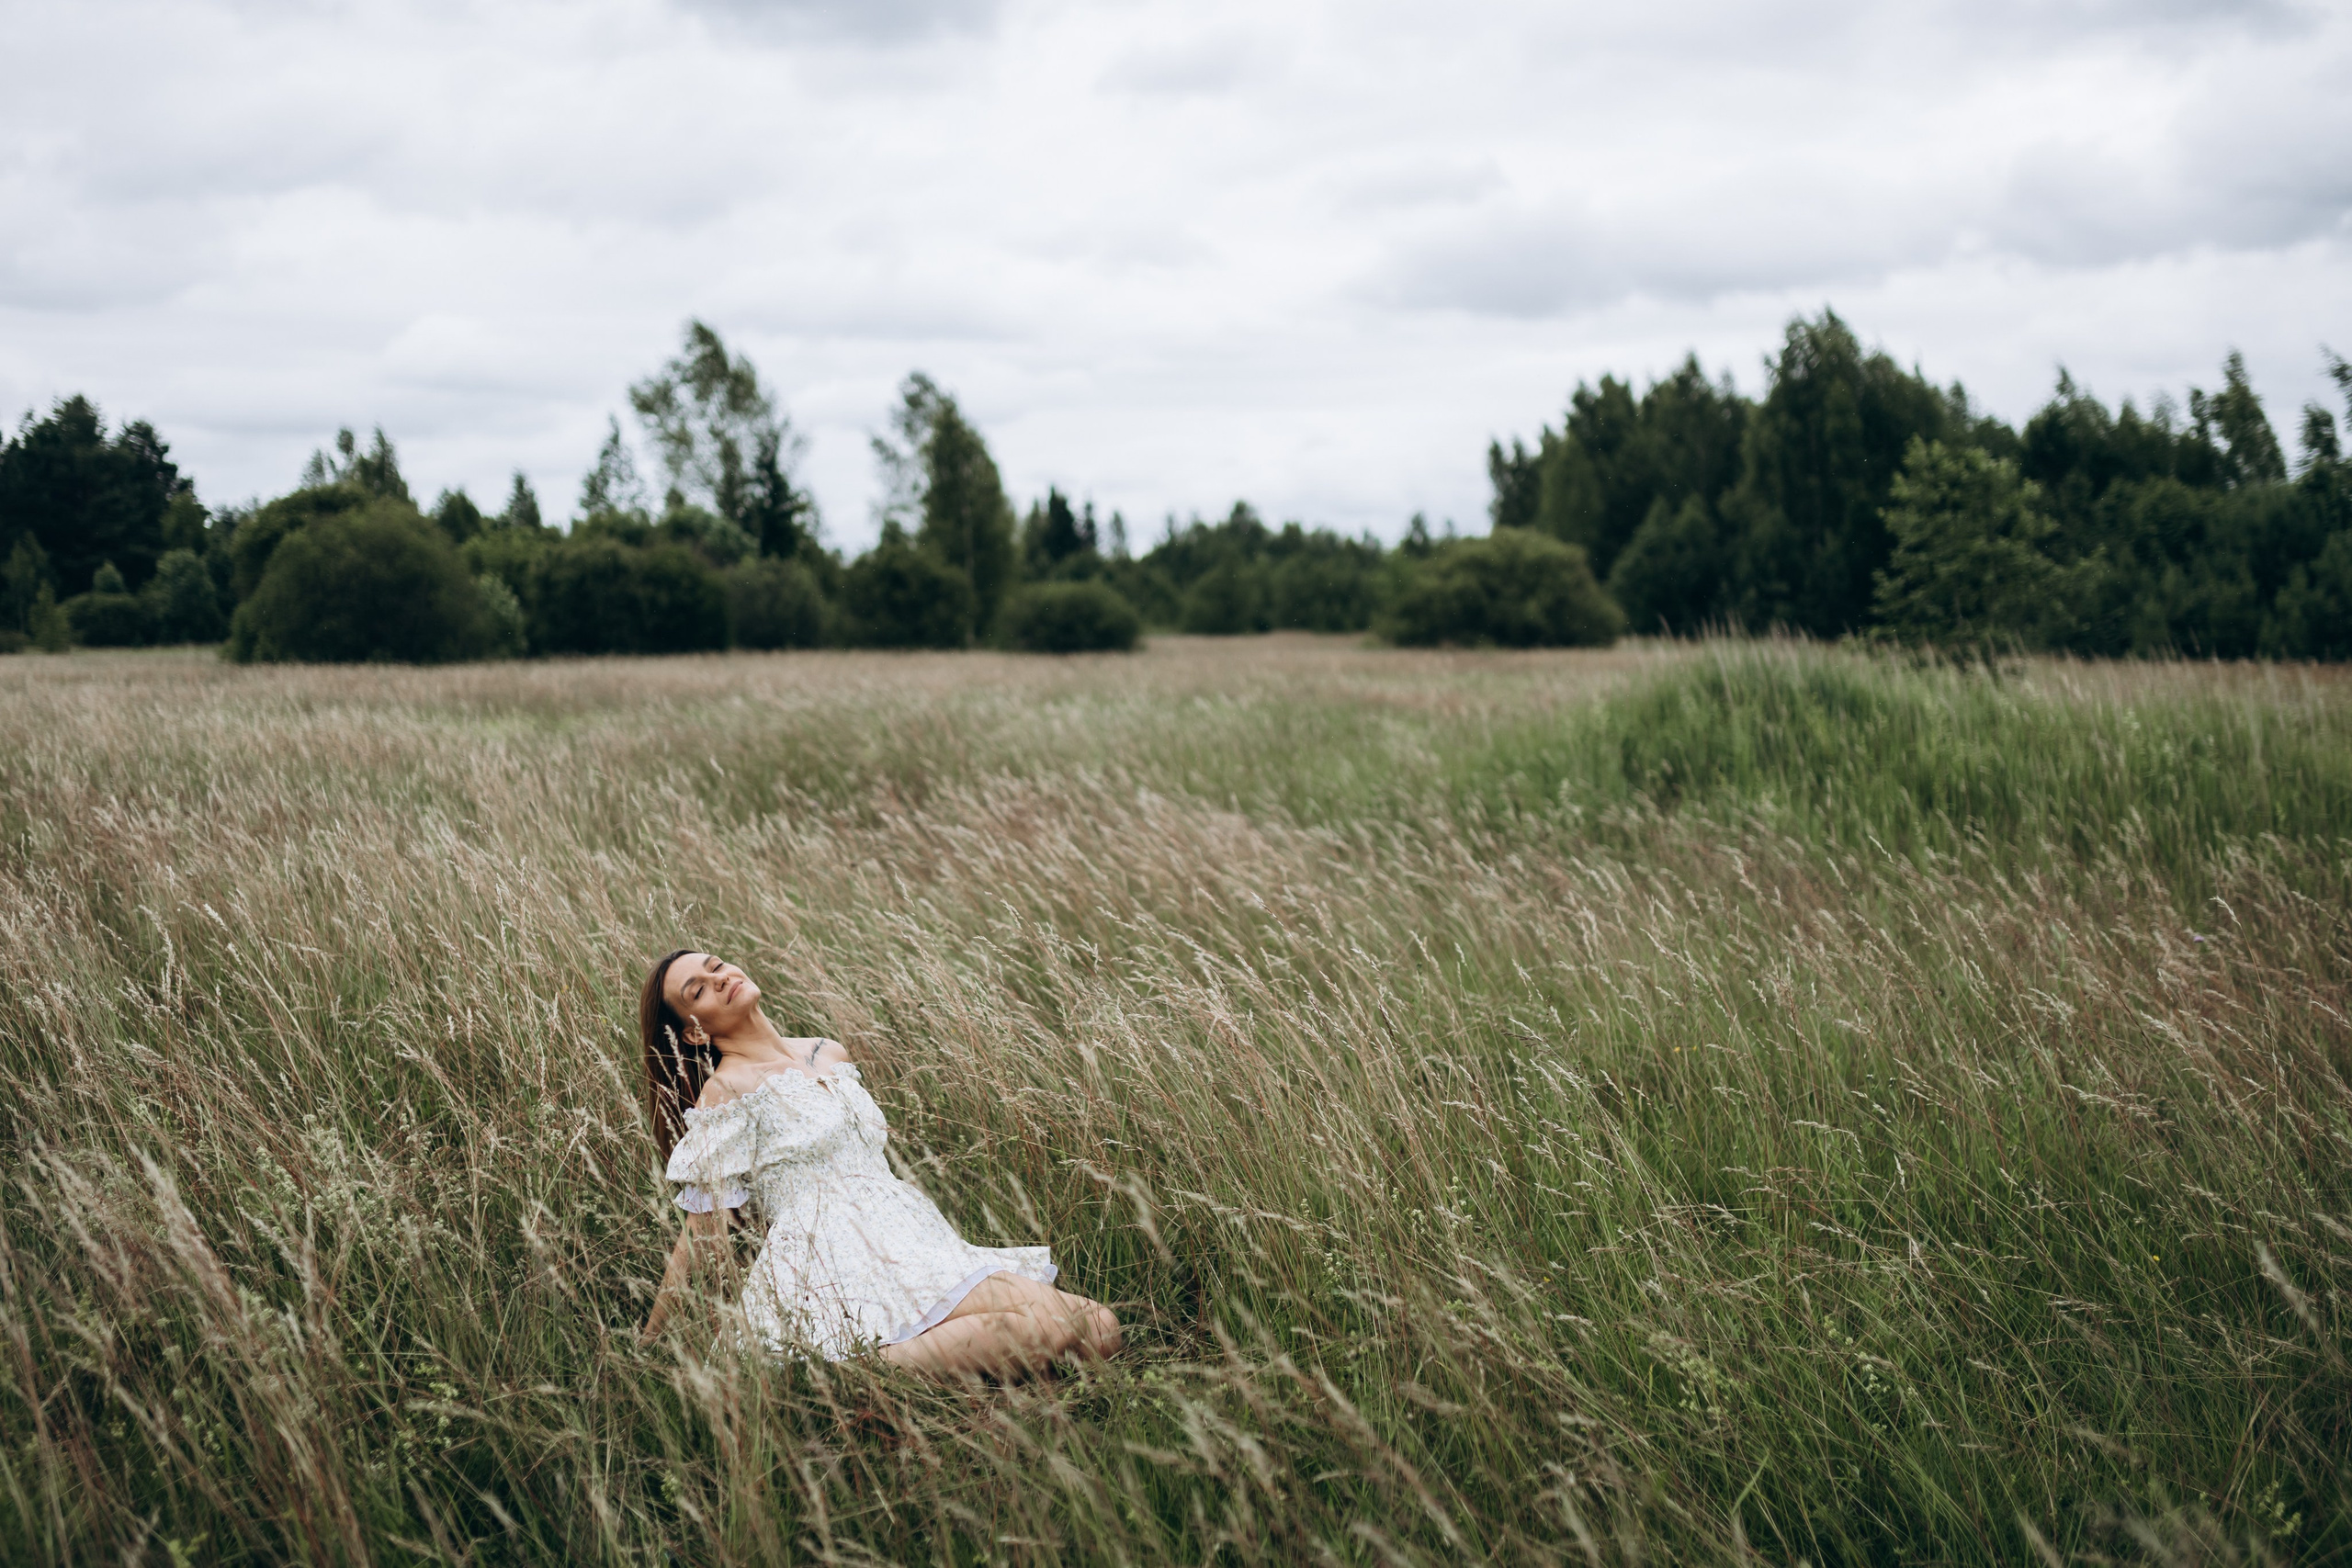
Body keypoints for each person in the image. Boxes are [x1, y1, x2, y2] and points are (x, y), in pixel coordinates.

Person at [635, 948, 1121, 1380]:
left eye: (717, 966)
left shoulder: (827, 1053)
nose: (719, 978)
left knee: (1101, 1329)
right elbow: (703, 1231)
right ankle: (855, 1372)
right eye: (699, 989)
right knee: (1054, 1328)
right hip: (835, 1256)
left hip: (914, 1238)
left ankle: (887, 1369)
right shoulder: (727, 1092)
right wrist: (653, 1339)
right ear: (695, 1031)